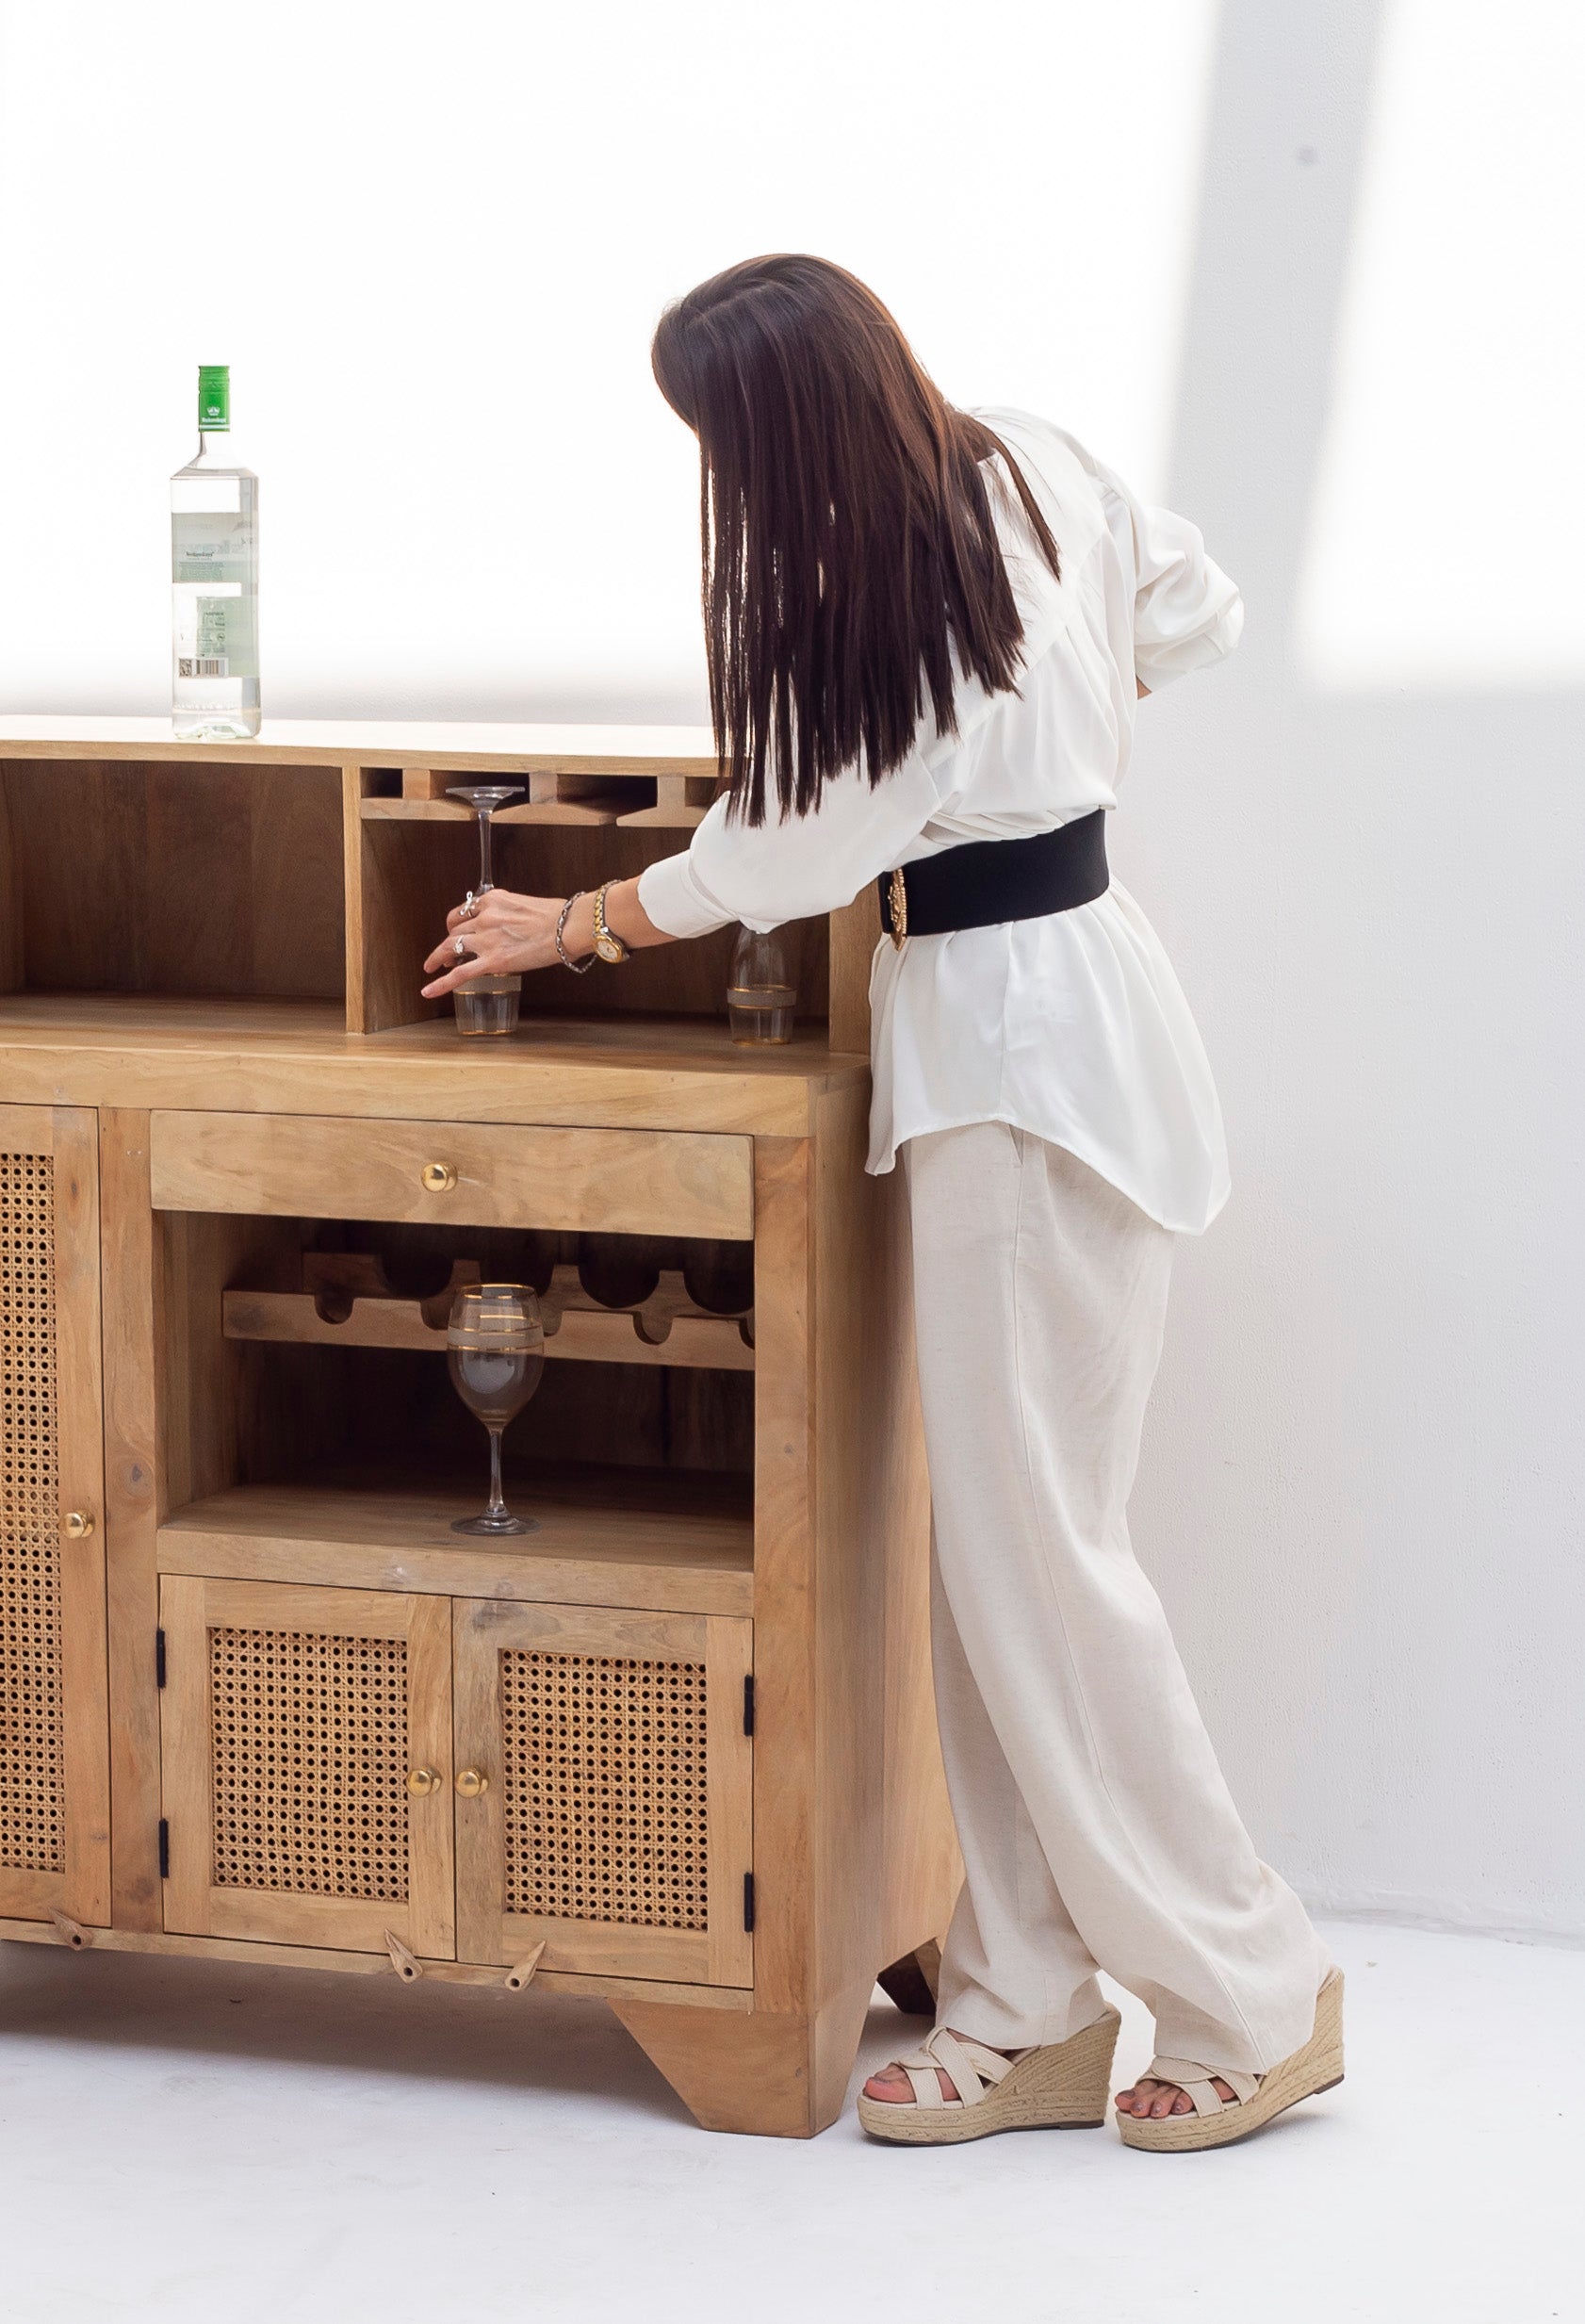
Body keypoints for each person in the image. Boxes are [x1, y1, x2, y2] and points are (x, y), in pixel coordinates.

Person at [422, 254, 1341, 2152]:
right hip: (1072, 1012)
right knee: (998, 1562)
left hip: (1018, 1065)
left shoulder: (883, 609)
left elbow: (777, 855)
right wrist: (1063, 724)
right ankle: (1025, 1998)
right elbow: (1199, 605)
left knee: (1045, 1566)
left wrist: (568, 919)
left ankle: (1251, 1988)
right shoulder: (1033, 466)